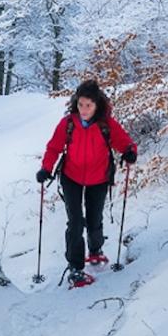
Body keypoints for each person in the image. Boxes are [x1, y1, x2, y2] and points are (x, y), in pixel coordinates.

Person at [34, 79, 137, 286]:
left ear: (97, 105)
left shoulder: (106, 124)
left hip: (98, 178)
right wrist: (46, 168)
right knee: (75, 222)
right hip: (71, 177)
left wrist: (129, 152)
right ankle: (76, 267)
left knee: (93, 219)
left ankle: (96, 248)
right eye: (80, 104)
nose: (84, 109)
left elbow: (123, 141)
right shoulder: (68, 123)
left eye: (88, 105)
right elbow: (54, 147)